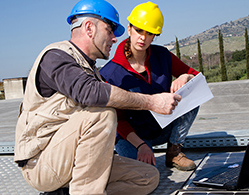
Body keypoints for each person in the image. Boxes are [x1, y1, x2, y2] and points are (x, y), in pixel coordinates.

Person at [14, 0, 182, 195]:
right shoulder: (56, 56)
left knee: (147, 177)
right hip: (43, 164)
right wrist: (152, 102)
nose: (114, 39)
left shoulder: (90, 70)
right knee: (102, 112)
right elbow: (91, 93)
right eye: (110, 30)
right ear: (89, 28)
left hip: (75, 159)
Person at [100, 1, 199, 171]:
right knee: (144, 176)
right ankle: (134, 152)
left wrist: (185, 76)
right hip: (131, 137)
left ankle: (174, 151)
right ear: (129, 28)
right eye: (138, 30)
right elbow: (118, 120)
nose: (143, 38)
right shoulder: (110, 73)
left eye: (150, 33)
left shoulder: (162, 55)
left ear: (155, 36)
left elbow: (197, 77)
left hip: (163, 128)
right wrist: (141, 146)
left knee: (192, 93)